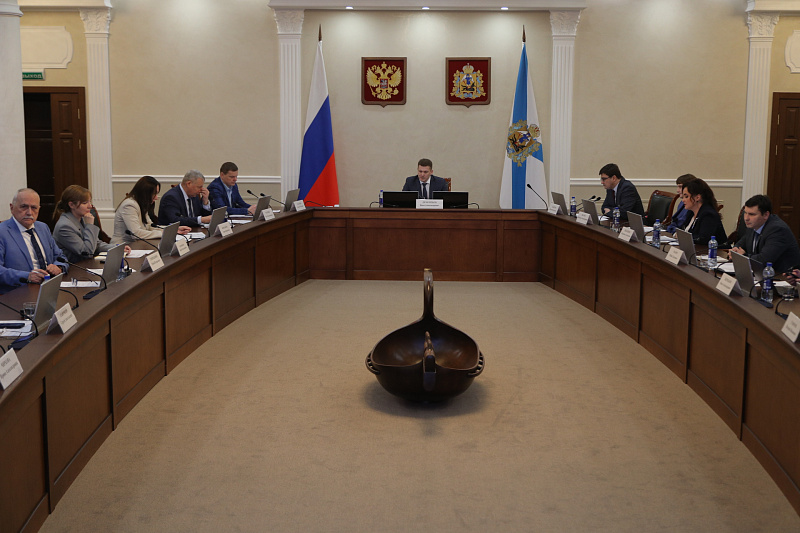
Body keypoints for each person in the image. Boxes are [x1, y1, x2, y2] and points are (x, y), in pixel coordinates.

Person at [0, 188, 68, 293]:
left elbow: (60, 257)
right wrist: (27, 276)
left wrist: (59, 267)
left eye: (34, 208)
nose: (29, 212)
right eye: (24, 207)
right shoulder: (2, 232)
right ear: (12, 208)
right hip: (17, 292)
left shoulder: (43, 228)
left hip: (49, 287)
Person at [53, 185, 130, 263]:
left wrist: (117, 248)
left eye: (90, 201)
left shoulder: (81, 219)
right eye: (85, 203)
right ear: (71, 205)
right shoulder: (65, 226)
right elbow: (87, 252)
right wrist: (90, 225)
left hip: (86, 264)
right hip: (74, 267)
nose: (90, 206)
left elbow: (96, 244)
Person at [731, 194, 800, 273]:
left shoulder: (778, 230)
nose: (746, 218)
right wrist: (734, 250)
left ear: (766, 215)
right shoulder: (753, 225)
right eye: (745, 213)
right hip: (760, 274)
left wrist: (742, 257)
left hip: (782, 276)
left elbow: (763, 260)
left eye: (751, 214)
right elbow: (741, 244)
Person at [111, 176, 190, 244]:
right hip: (123, 247)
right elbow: (136, 233)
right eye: (154, 194)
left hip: (138, 245)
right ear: (145, 193)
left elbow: (150, 226)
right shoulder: (129, 205)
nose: (156, 197)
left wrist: (173, 230)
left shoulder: (141, 203)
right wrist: (164, 234)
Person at [678, 178, 728, 246]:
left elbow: (703, 239)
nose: (683, 200)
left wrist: (683, 238)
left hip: (714, 251)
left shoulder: (708, 215)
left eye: (686, 196)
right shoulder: (690, 213)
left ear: (697, 197)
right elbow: (683, 230)